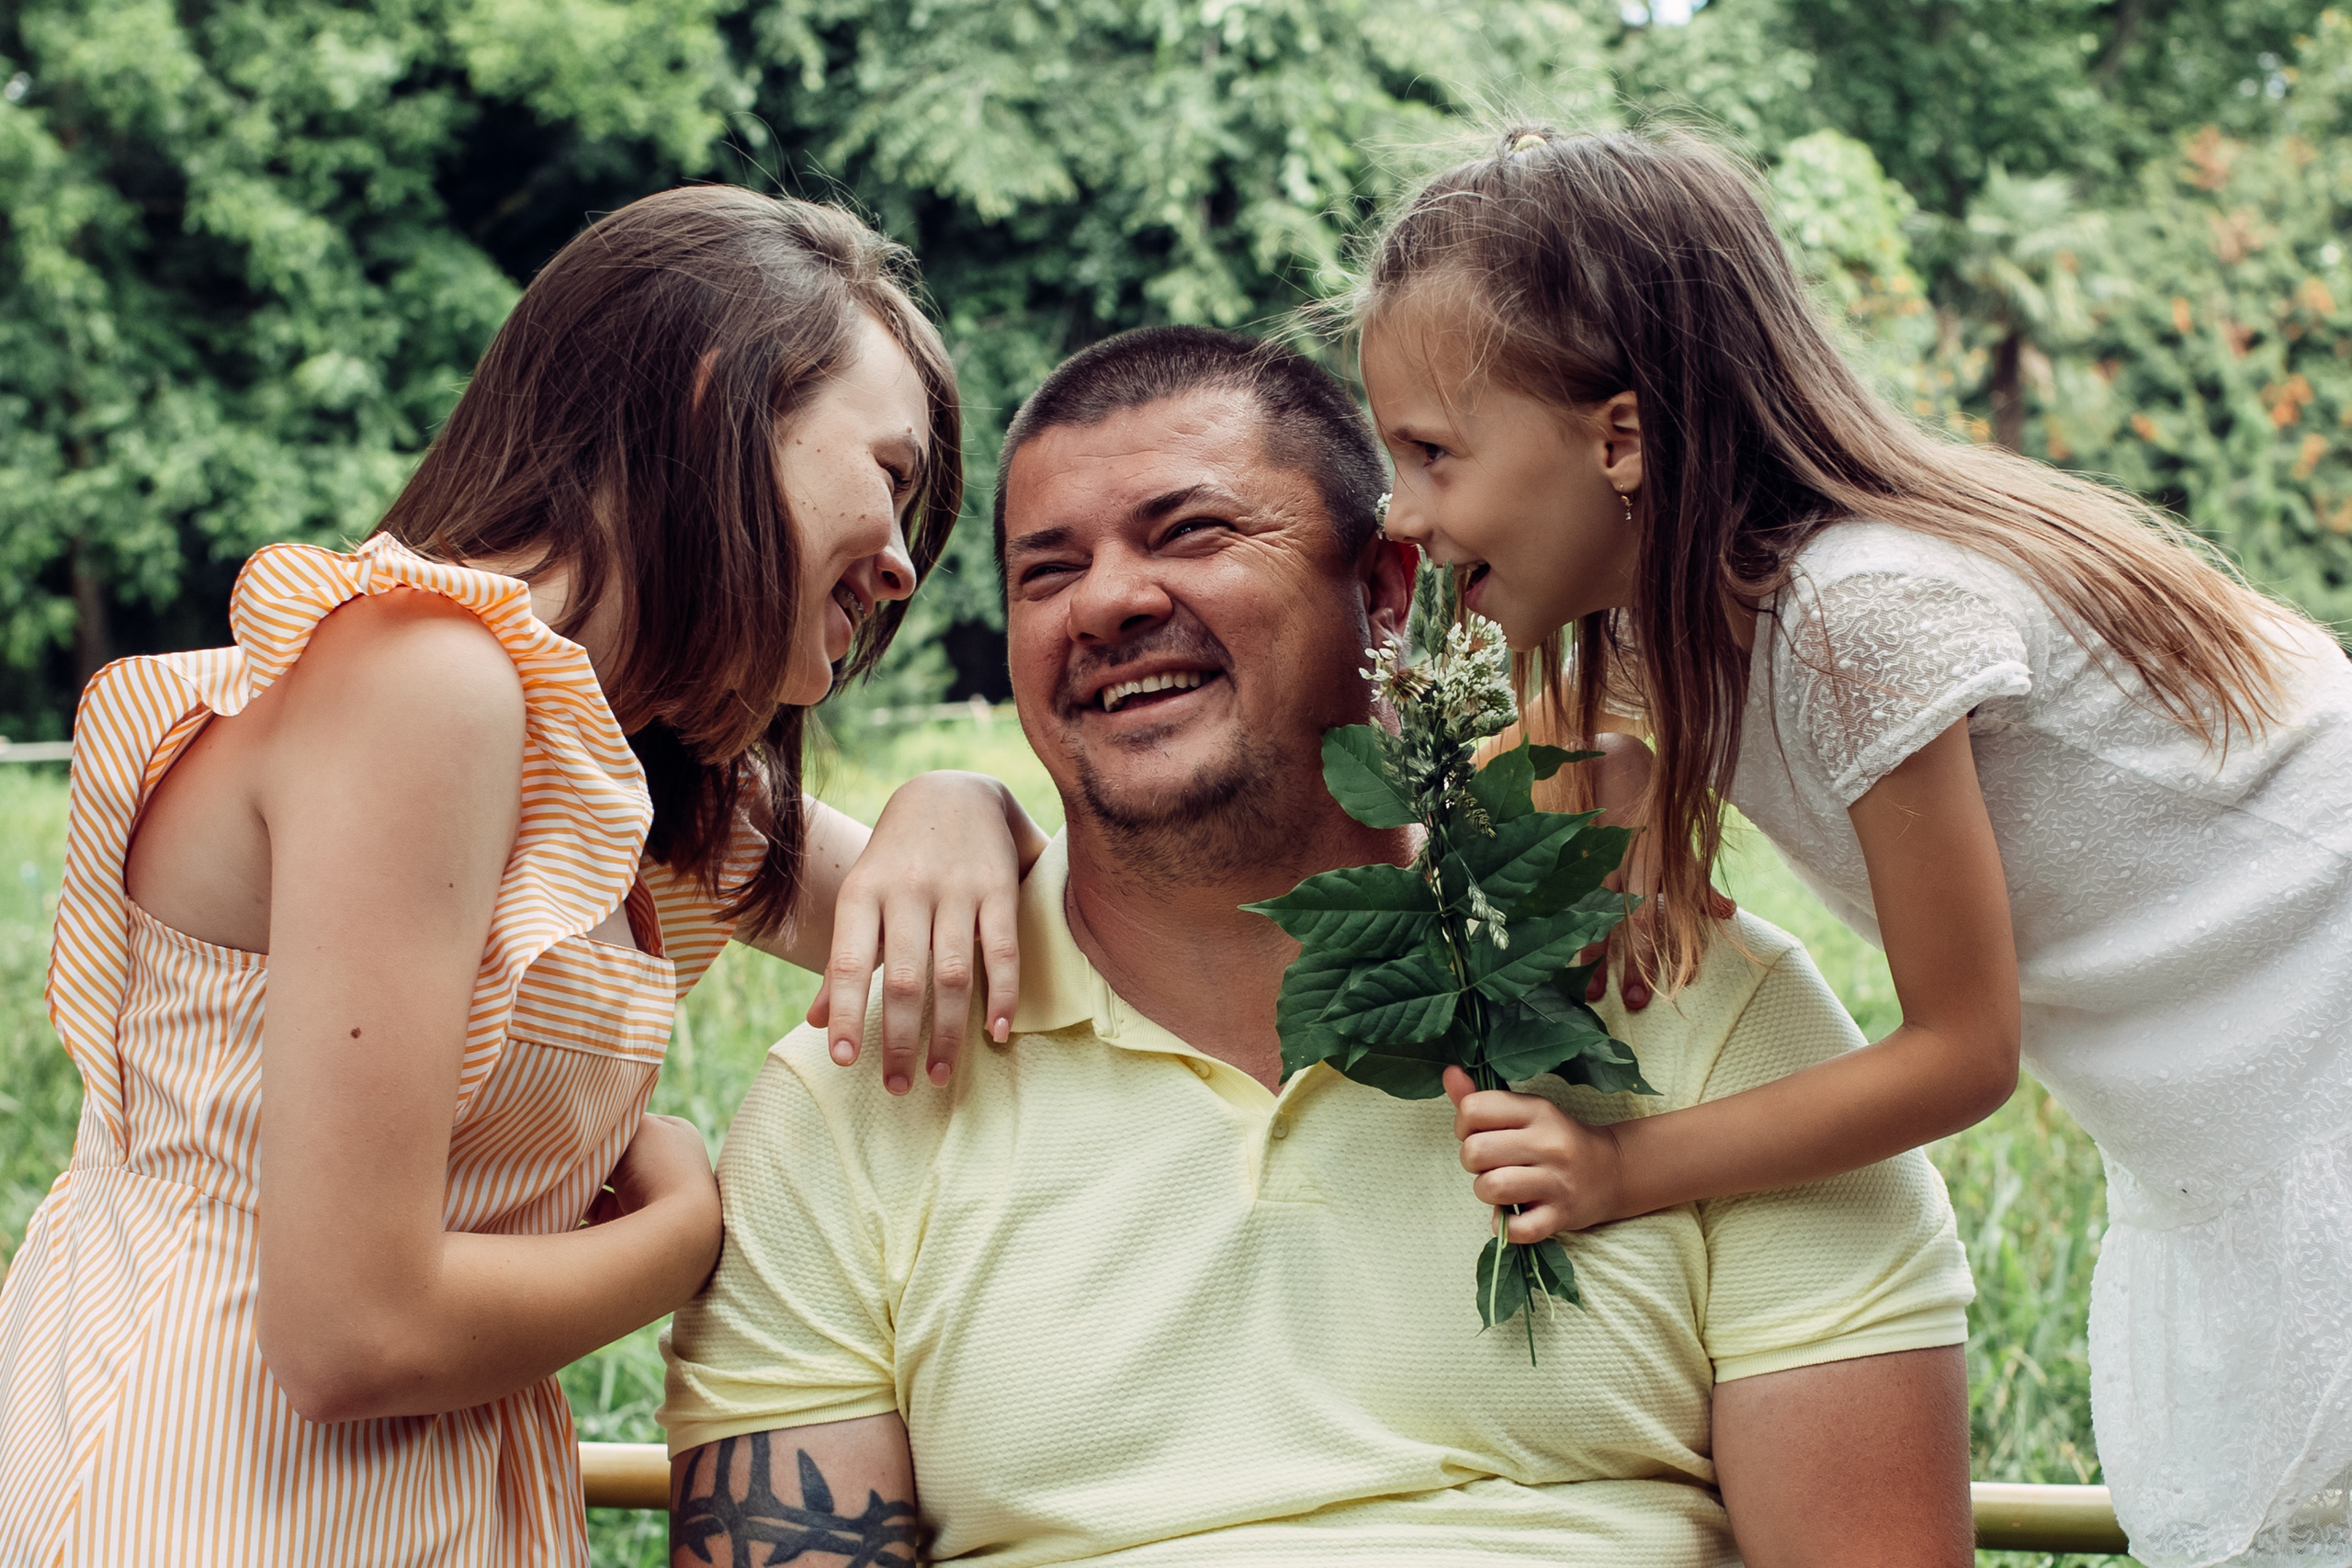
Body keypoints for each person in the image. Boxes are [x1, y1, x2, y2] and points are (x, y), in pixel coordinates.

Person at [661, 325, 1977, 1568]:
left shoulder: (1688, 1007)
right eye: (1046, 572)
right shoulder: (860, 1089)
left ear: (1388, 592)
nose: (1105, 602)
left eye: (1191, 531)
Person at [0, 186, 1043, 1568]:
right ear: (713, 399)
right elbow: (353, 1334)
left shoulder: (624, 766)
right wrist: (690, 1230)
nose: (906, 569)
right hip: (211, 1503)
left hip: (431, 1514)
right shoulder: (424, 680)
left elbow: (1013, 924)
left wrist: (959, 802)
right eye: (891, 478)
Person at [1353, 125, 2352, 1565]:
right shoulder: (1661, 628)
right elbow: (1464, 835)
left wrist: (1625, 1170)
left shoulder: (1852, 614)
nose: (1401, 512)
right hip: (2230, 1084)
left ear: (1620, 439)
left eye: (1432, 453)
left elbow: (1962, 1054)